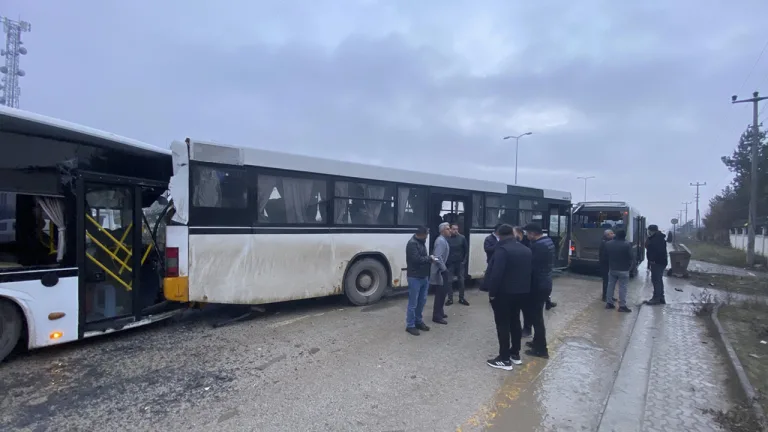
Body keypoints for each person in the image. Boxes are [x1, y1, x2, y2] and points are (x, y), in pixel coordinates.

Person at [485, 224, 532, 370]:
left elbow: (496, 275)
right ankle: (515, 354)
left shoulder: (502, 250)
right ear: (513, 233)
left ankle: (504, 358)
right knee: (515, 322)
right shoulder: (526, 249)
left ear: (499, 235)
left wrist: (492, 293)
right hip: (522, 293)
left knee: (502, 325)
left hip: (503, 294)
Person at [523, 223, 554, 358]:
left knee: (537, 318)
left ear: (533, 233)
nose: (526, 236)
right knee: (537, 316)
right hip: (545, 283)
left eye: (527, 233)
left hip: (538, 285)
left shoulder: (538, 246)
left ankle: (541, 349)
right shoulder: (548, 241)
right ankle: (536, 342)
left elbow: (532, 267)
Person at [404, 226, 436, 336]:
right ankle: (410, 325)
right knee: (413, 302)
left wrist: (428, 259)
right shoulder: (412, 243)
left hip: (423, 276)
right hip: (415, 277)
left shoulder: (421, 241)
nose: (427, 236)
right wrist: (430, 259)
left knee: (422, 301)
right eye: (426, 234)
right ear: (421, 234)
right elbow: (416, 259)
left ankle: (418, 321)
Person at [604, 229, 633, 312]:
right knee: (623, 287)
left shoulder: (608, 244)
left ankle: (609, 303)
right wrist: (630, 267)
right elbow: (631, 257)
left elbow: (605, 256)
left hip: (612, 268)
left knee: (610, 286)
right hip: (624, 269)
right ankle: (622, 306)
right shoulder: (627, 244)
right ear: (624, 236)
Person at [431, 222, 451, 324]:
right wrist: (444, 269)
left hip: (441, 270)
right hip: (440, 271)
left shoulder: (443, 240)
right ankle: (437, 316)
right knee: (440, 293)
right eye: (448, 229)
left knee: (443, 293)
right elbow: (437, 257)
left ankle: (440, 312)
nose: (450, 230)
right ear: (442, 231)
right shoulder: (441, 241)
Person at [446, 223, 469, 306]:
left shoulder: (462, 238)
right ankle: (450, 299)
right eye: (454, 229)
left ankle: (461, 298)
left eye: (457, 229)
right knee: (449, 281)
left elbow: (466, 250)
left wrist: (464, 261)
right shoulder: (447, 238)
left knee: (461, 281)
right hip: (450, 263)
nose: (455, 231)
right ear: (450, 229)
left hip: (460, 262)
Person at [645, 225, 668, 305]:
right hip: (660, 262)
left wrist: (653, 260)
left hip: (657, 263)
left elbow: (658, 252)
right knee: (658, 280)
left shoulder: (656, 239)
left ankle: (656, 298)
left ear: (651, 231)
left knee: (656, 280)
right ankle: (661, 297)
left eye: (649, 230)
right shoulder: (658, 238)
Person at [599, 229, 615, 302]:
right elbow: (603, 255)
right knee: (606, 281)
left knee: (611, 281)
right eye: (611, 233)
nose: (613, 234)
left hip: (609, 264)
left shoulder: (609, 242)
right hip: (605, 265)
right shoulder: (605, 243)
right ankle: (605, 296)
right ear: (607, 235)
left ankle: (610, 295)